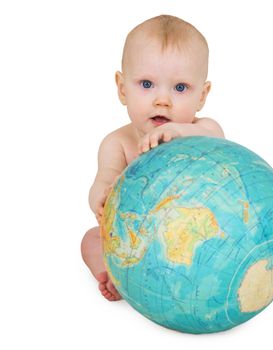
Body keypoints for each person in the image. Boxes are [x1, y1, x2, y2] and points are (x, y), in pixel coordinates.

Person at [81, 14, 225, 301]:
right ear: (122, 89)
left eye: (180, 88)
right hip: (139, 242)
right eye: (146, 84)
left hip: (191, 237)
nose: (163, 100)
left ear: (202, 96)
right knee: (89, 241)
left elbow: (217, 138)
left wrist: (179, 131)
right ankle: (112, 274)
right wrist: (103, 196)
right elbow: (103, 183)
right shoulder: (117, 143)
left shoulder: (200, 129)